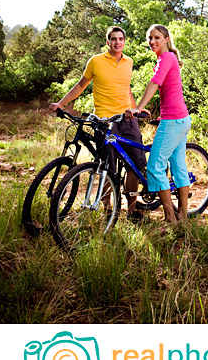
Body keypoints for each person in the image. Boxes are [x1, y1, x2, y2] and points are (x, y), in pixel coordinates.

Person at [49, 25, 147, 221]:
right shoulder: (95, 61)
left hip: (127, 120)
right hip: (104, 121)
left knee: (133, 166)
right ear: (107, 42)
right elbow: (81, 85)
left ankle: (132, 211)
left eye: (121, 39)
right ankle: (108, 209)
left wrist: (135, 111)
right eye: (113, 39)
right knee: (106, 166)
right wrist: (61, 103)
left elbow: (126, 88)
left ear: (124, 42)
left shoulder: (129, 62)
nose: (117, 42)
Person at [126, 24, 191, 226]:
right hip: (181, 120)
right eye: (149, 38)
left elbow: (155, 83)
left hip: (172, 121)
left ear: (166, 39)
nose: (152, 41)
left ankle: (170, 219)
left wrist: (138, 108)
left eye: (156, 37)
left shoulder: (166, 57)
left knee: (155, 166)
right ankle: (183, 217)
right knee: (178, 167)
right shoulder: (167, 58)